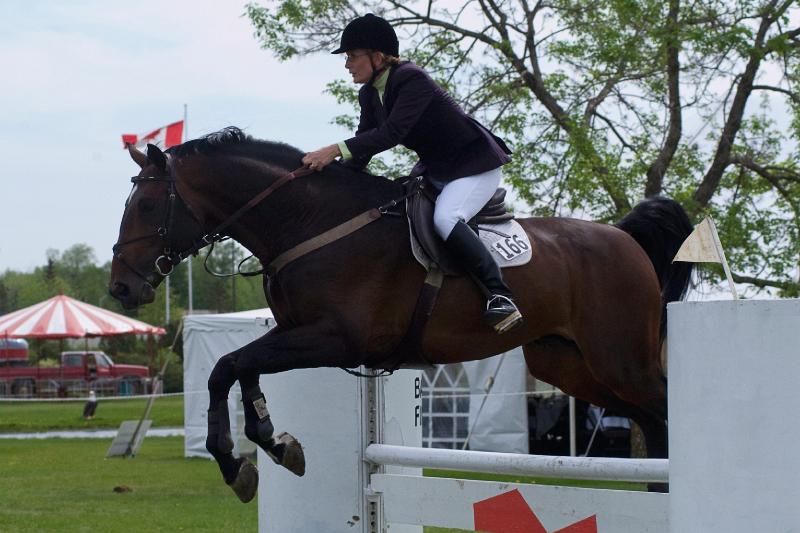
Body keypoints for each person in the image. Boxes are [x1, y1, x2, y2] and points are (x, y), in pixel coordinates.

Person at [302, 13, 523, 333]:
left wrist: (332, 150)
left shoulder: (411, 78)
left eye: (352, 56)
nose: (347, 64)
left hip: (475, 165)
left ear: (377, 57)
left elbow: (391, 133)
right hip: (437, 169)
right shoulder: (369, 94)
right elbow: (364, 145)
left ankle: (500, 295)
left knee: (446, 219)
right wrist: (331, 181)